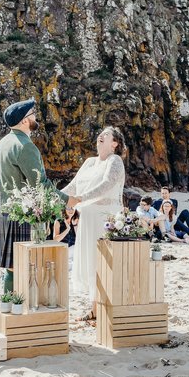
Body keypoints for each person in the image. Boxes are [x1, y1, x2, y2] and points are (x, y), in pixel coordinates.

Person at [0, 98, 80, 293]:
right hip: (24, 214)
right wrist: (68, 200)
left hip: (6, 211)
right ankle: (20, 307)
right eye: (32, 114)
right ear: (25, 121)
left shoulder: (3, 143)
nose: (35, 117)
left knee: (11, 265)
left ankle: (8, 305)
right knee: (25, 264)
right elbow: (39, 184)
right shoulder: (25, 146)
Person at [63, 126, 127, 322]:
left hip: (105, 219)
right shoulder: (90, 162)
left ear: (114, 143)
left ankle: (105, 309)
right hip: (88, 219)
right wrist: (54, 198)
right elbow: (72, 186)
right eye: (101, 133)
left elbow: (107, 184)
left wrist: (80, 199)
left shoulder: (114, 161)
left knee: (103, 263)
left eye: (106, 134)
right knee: (91, 262)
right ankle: (94, 310)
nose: (101, 135)